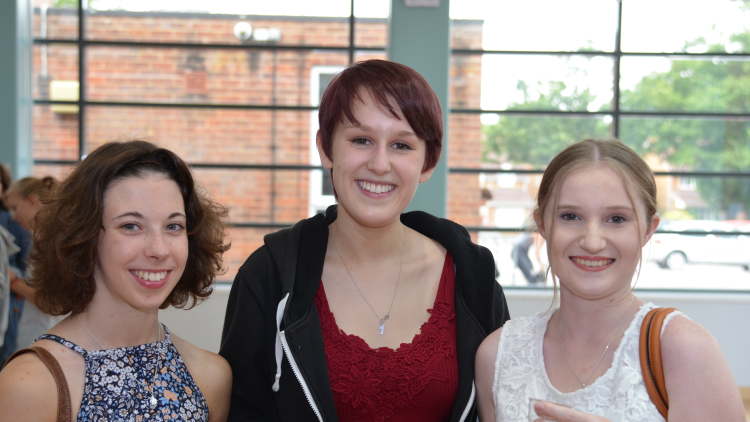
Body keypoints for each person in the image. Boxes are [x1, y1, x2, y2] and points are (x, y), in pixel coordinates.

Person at [220, 59, 510, 422]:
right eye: (361, 140)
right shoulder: (270, 277)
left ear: (428, 162)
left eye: (402, 145)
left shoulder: (473, 281)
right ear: (326, 148)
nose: (379, 163)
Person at [475, 139, 745, 422]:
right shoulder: (499, 356)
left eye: (616, 219)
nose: (592, 242)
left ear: (648, 230)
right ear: (542, 224)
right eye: (570, 216)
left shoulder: (683, 349)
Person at [0, 140, 232, 422]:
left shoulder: (211, 378)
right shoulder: (31, 384)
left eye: (173, 226)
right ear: (83, 238)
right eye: (130, 226)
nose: (158, 249)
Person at [3, 176, 62, 351]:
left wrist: (14, 282)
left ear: (32, 201)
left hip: (46, 338)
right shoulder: (41, 239)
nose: (13, 217)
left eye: (15, 208)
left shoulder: (52, 243)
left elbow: (53, 303)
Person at [0, 164, 31, 362]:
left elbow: (23, 268)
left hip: (12, 309)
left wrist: (11, 276)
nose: (15, 214)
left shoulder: (14, 223)